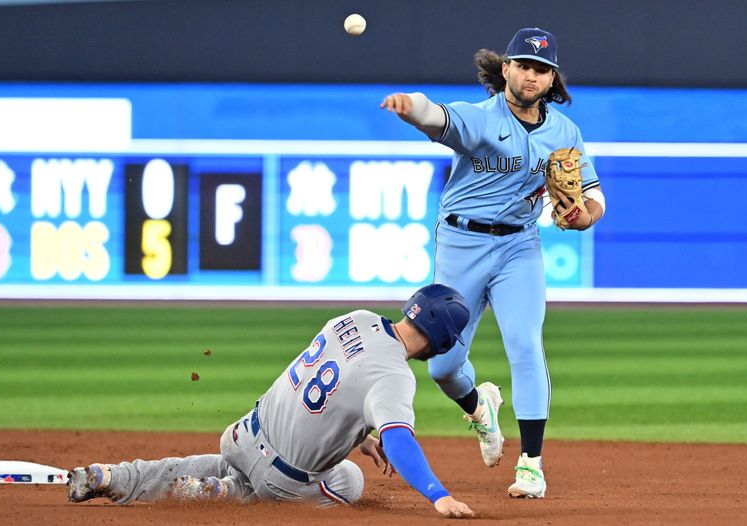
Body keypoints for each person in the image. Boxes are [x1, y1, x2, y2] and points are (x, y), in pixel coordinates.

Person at [380, 27, 606, 499]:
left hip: (519, 247)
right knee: (442, 366)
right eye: (523, 65)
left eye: (541, 69)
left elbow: (592, 195)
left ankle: (531, 464)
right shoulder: (481, 119)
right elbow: (436, 117)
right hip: (460, 243)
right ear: (506, 68)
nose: (531, 75)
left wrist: (587, 214)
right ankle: (479, 406)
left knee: (525, 343)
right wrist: (410, 104)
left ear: (552, 78)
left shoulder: (565, 133)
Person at [67, 284, 475, 519]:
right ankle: (223, 494)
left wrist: (361, 438)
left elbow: (331, 390)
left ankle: (113, 476)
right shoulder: (395, 377)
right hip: (279, 480)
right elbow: (401, 442)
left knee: (228, 463)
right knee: (350, 480)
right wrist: (438, 495)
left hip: (242, 434)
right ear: (440, 338)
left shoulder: (356, 318)